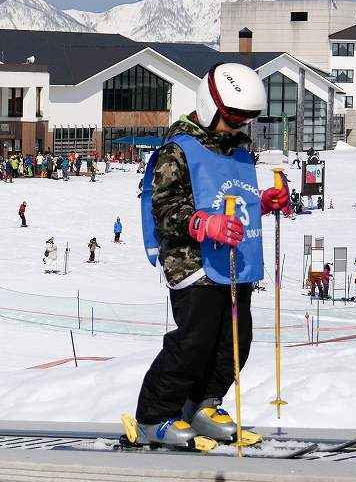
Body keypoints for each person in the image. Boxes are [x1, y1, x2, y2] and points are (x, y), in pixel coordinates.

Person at [133, 63, 287, 448]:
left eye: (244, 121)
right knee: (194, 341)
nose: (237, 128)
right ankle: (155, 414)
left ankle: (205, 403)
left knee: (236, 341)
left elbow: (234, 197)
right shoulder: (177, 151)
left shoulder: (239, 149)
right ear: (209, 106)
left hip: (235, 260)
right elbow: (165, 210)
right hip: (191, 261)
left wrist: (262, 203)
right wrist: (204, 224)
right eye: (232, 119)